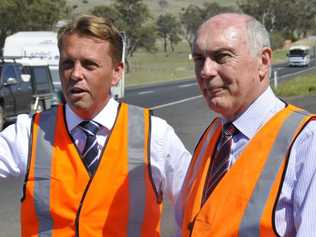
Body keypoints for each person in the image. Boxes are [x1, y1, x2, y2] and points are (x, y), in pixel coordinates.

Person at [0, 15, 191, 236]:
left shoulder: (155, 135)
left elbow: (193, 208)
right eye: (68, 64)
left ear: (116, 73)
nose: (75, 74)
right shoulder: (29, 133)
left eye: (89, 65)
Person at [177, 13, 316, 237]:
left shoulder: (306, 143)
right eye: (199, 59)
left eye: (222, 56)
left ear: (263, 61)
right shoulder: (213, 135)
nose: (206, 71)